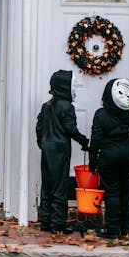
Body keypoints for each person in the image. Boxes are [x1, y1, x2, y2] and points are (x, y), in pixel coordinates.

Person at [36, 70, 89, 234]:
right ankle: (57, 224)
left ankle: (45, 221)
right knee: (60, 186)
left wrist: (42, 143)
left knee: (47, 185)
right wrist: (83, 141)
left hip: (47, 149)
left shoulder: (47, 106)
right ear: (65, 87)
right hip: (60, 150)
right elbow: (71, 129)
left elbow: (39, 127)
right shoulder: (66, 106)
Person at [88, 78, 129, 239]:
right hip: (128, 155)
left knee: (112, 193)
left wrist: (93, 161)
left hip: (109, 157)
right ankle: (126, 228)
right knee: (126, 192)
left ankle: (112, 229)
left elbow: (95, 139)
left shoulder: (101, 114)